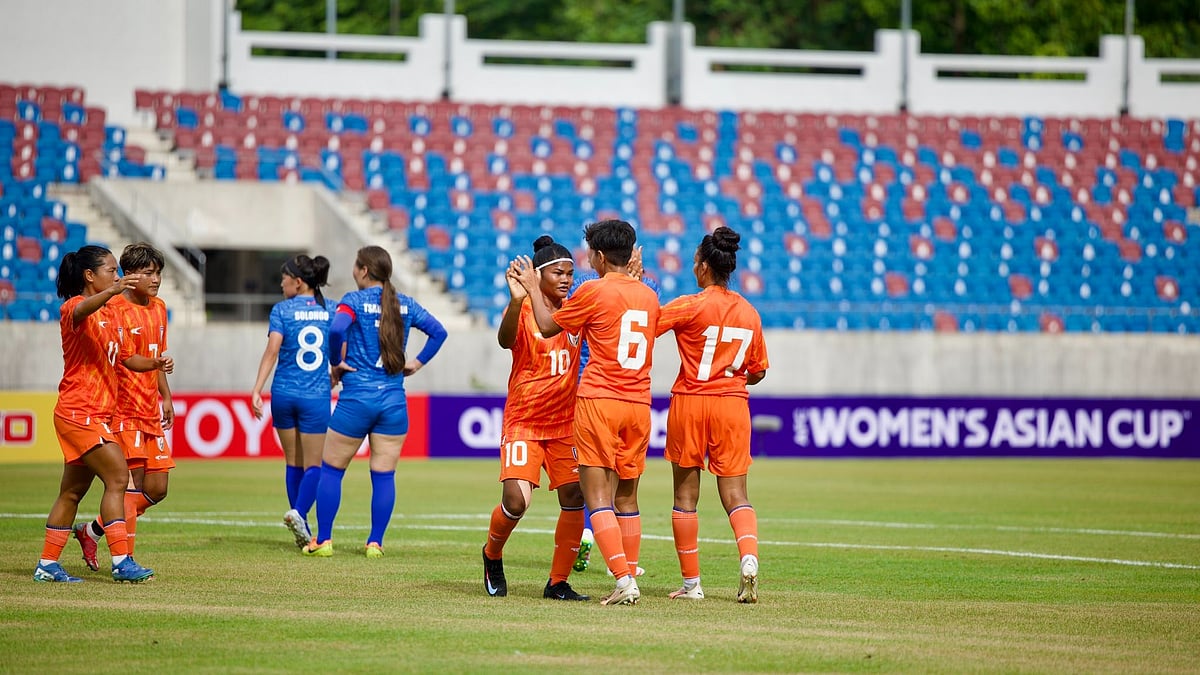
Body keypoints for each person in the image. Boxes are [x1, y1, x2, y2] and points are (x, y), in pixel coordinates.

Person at [513, 218, 659, 606]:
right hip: (640, 405)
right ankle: (629, 568)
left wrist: (530, 288)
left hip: (600, 402)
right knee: (628, 497)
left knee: (596, 499)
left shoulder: (593, 290)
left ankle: (625, 581)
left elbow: (546, 328)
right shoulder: (648, 295)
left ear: (597, 255)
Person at [302, 245, 447, 558]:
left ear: (364, 270)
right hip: (393, 402)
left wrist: (335, 362)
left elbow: (338, 329)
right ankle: (375, 543)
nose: (354, 272)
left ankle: (324, 540)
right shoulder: (404, 304)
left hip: (356, 399)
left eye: (356, 266)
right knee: (384, 475)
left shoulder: (352, 301)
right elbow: (438, 332)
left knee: (332, 470)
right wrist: (416, 364)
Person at [35, 245, 164, 583]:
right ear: (90, 276)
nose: (116, 275)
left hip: (96, 414)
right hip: (80, 411)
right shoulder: (74, 307)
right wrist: (113, 291)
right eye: (110, 269)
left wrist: (154, 364)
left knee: (72, 492)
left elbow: (126, 359)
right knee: (119, 478)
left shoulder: (113, 315)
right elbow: (82, 311)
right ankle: (121, 561)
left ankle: (47, 565)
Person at [655, 226, 769, 603]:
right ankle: (749, 559)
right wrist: (732, 372)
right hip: (732, 405)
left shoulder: (690, 305)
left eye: (694, 262)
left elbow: (646, 326)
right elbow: (758, 370)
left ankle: (692, 585)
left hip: (691, 401)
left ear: (704, 266)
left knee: (685, 498)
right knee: (736, 494)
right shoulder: (749, 313)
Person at [482, 235, 588, 601]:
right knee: (516, 502)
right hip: (525, 421)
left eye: (570, 274)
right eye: (558, 273)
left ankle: (557, 582)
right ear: (538, 276)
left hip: (564, 424)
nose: (566, 280)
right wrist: (516, 301)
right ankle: (491, 554)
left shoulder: (576, 309)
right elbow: (504, 340)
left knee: (575, 496)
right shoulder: (525, 309)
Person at [73, 243, 177, 569]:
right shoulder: (114, 308)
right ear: (130, 276)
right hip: (124, 409)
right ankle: (125, 559)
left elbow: (156, 356)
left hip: (150, 409)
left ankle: (91, 530)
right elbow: (127, 359)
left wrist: (166, 395)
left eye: (158, 272)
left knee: (158, 489)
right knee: (128, 487)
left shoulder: (159, 308)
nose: (155, 279)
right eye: (148, 273)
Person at [569, 245, 658, 575]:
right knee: (625, 488)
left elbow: (558, 326)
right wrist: (639, 279)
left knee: (594, 482)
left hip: (593, 391)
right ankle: (623, 564)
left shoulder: (586, 287)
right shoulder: (649, 291)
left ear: (600, 256)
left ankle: (591, 536)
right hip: (634, 395)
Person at [250, 253, 336, 548]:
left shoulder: (282, 310)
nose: (281, 283)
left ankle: (302, 525)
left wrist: (257, 389)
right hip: (315, 396)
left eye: (284, 278)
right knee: (315, 466)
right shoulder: (331, 310)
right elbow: (341, 348)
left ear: (298, 282)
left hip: (283, 394)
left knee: (293, 462)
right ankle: (299, 513)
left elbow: (272, 351)